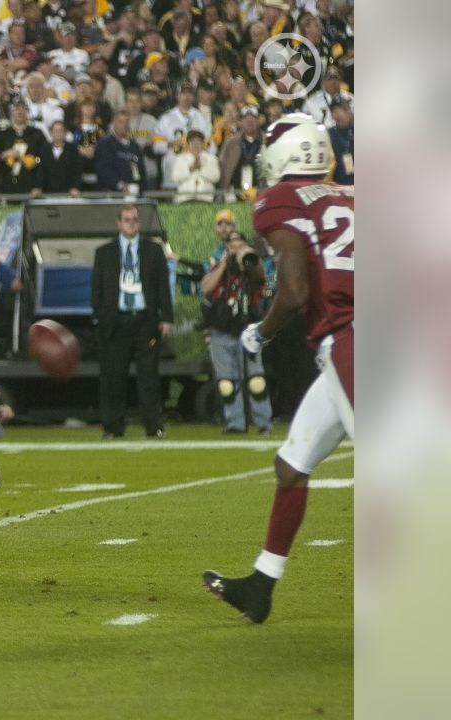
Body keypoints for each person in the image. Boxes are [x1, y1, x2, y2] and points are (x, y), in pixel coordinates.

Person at [203, 114, 354, 623]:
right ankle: (261, 585)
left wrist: (261, 332)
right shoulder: (351, 194)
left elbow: (294, 292)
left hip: (356, 339)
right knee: (292, 465)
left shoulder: (279, 202)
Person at [90, 204, 174, 439]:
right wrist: (100, 316)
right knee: (113, 378)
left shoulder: (153, 251)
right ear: (118, 223)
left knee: (149, 377)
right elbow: (97, 288)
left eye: (135, 219)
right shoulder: (104, 253)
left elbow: (162, 287)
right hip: (116, 322)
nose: (131, 223)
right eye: (127, 219)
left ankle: (153, 426)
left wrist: (166, 317)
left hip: (144, 320)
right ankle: (112, 427)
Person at [200, 229, 273, 435]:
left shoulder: (253, 265)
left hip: (249, 329)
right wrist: (224, 264)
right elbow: (205, 288)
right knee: (227, 382)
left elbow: (264, 282)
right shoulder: (219, 266)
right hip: (222, 328)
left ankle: (263, 423)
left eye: (240, 247)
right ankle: (235, 423)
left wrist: (251, 260)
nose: (236, 251)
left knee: (256, 380)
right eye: (232, 248)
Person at [172, 129, 221, 202]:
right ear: (188, 144)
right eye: (192, 141)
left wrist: (201, 169)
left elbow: (216, 177)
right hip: (185, 199)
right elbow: (175, 177)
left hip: (206, 199)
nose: (195, 144)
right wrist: (191, 169)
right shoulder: (180, 159)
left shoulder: (212, 158)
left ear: (203, 143)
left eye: (198, 141)